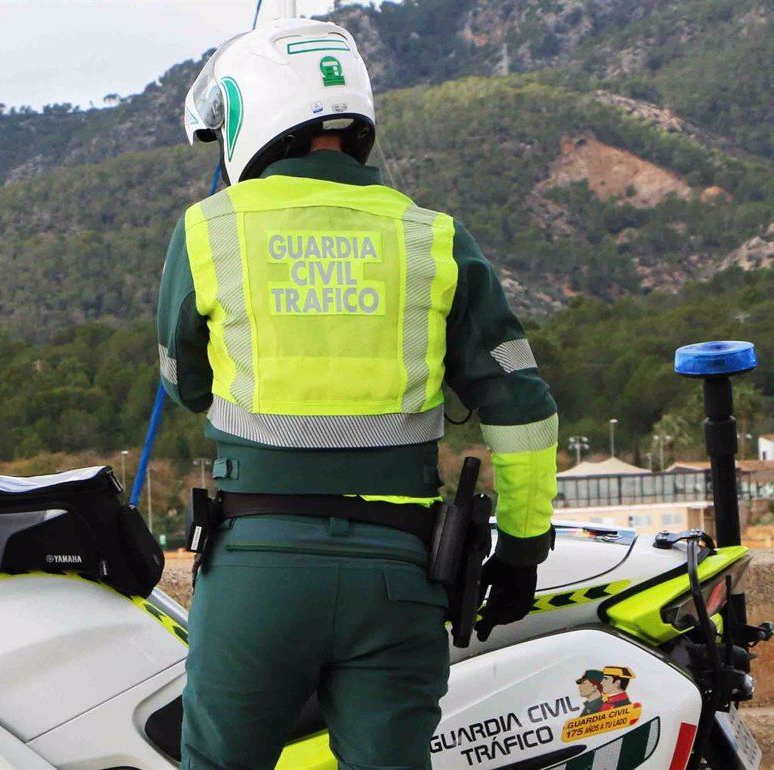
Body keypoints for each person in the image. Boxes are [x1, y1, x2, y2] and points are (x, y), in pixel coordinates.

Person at [157, 16, 558, 770]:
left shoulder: (207, 231)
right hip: (398, 576)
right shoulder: (435, 236)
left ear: (248, 114)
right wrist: (523, 551)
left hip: (256, 570)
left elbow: (185, 385)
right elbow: (523, 408)